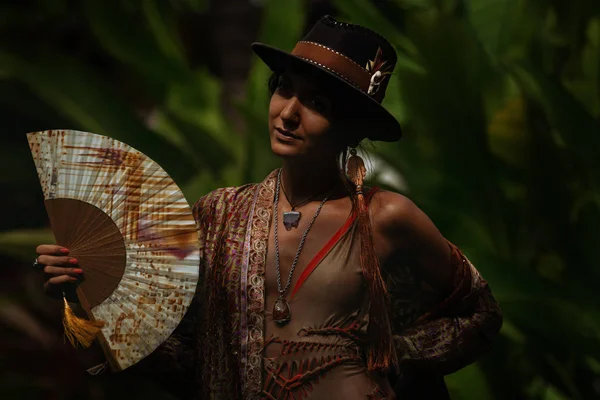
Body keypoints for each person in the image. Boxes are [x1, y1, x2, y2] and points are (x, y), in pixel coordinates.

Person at [34, 15, 502, 400]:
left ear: (353, 127)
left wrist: (391, 355)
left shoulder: (387, 218)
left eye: (316, 102)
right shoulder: (220, 214)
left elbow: (480, 315)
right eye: (283, 88)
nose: (288, 113)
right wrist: (87, 292)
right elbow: (190, 360)